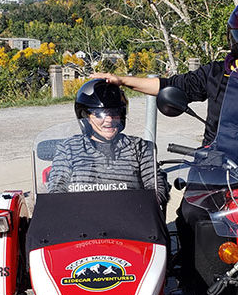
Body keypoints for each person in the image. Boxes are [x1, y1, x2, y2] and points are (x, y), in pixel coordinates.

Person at [92, 0, 238, 267]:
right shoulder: (218, 74)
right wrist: (122, 81)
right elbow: (171, 86)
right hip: (216, 169)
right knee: (191, 215)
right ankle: (193, 280)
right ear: (235, 37)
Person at [48, 78, 169, 207]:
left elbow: (157, 189)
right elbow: (56, 192)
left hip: (130, 218)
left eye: (115, 113)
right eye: (100, 114)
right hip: (82, 219)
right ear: (86, 116)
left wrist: (138, 206)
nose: (109, 120)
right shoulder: (68, 149)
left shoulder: (139, 147)